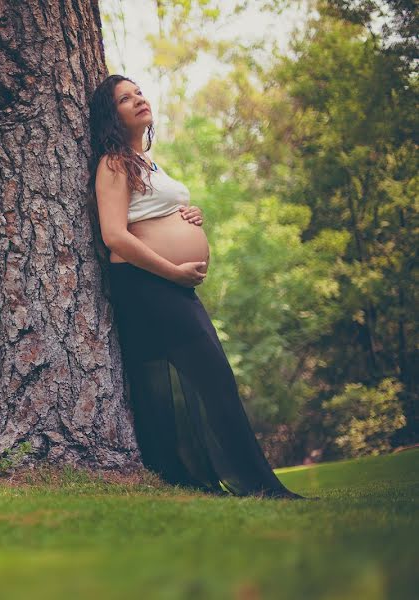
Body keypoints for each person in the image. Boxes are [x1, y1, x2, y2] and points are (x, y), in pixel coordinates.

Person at [88, 74, 306, 500]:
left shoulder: (145, 161)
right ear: (110, 116)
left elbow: (154, 210)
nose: (138, 101)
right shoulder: (113, 162)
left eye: (139, 93)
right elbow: (114, 235)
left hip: (166, 284)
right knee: (206, 379)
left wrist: (189, 216)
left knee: (177, 383)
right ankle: (253, 484)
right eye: (124, 99)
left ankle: (189, 479)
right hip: (147, 285)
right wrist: (171, 270)